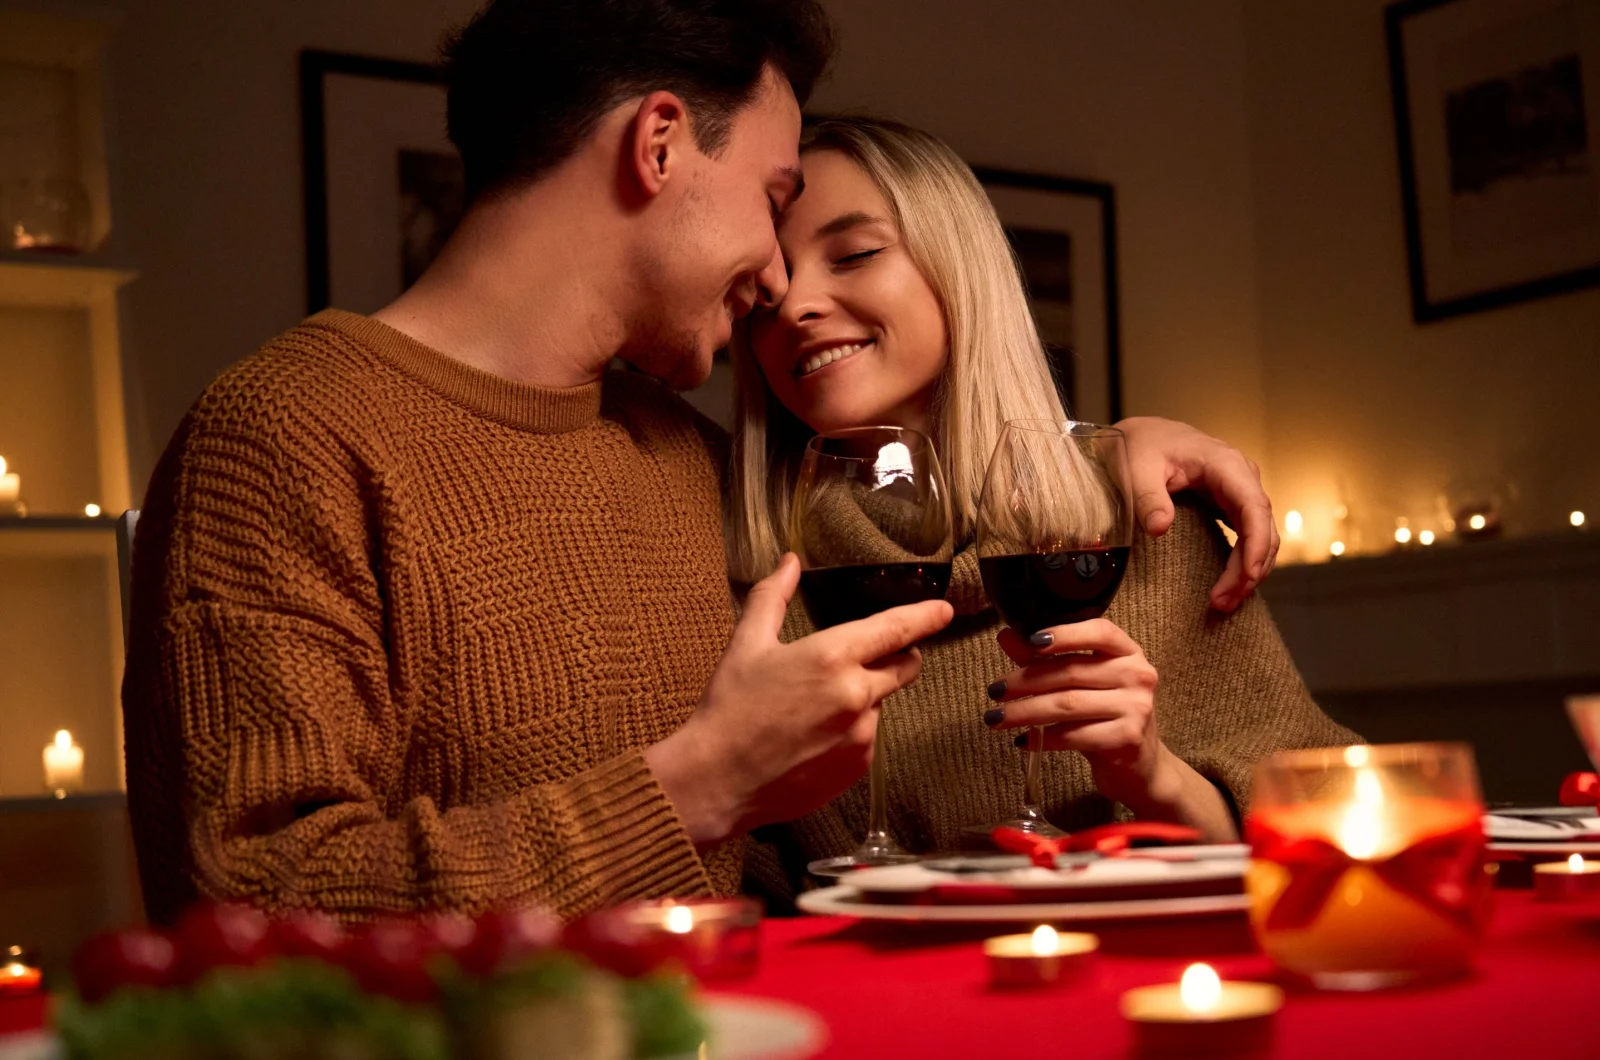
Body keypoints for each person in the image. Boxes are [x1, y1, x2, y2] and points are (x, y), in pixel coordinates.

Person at [124, 0, 1283, 925]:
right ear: (660, 143)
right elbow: (251, 904)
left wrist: (1107, 456)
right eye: (775, 200)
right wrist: (695, 788)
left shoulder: (694, 464)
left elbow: (928, 608)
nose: (780, 284)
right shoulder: (278, 435)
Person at [727, 118, 1358, 893]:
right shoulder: (754, 590)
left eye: (854, 254)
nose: (796, 306)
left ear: (959, 266)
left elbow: (1331, 838)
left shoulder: (1144, 519)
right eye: (770, 287)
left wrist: (1155, 776)